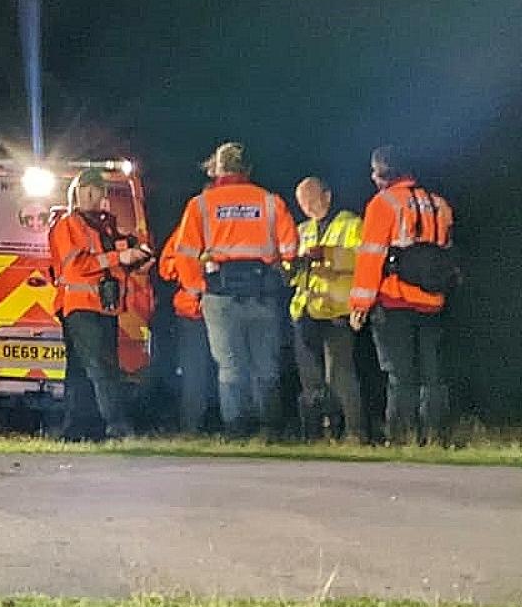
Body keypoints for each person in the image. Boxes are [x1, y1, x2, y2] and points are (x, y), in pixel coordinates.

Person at [170, 142, 298, 439]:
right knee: (265, 363)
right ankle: (268, 429)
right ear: (248, 169)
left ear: (218, 169)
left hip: (219, 294)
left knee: (230, 365)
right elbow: (290, 248)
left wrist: (197, 290)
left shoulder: (200, 204)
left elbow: (184, 253)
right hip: (263, 292)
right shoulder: (269, 201)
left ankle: (236, 429)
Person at [349, 146, 455, 447]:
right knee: (433, 375)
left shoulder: (383, 204)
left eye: (374, 170)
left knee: (400, 376)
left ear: (384, 173)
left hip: (395, 301)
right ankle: (436, 438)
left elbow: (371, 257)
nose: (371, 176)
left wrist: (360, 305)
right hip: (433, 302)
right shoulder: (439, 204)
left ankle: (401, 438)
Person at [48, 168, 148, 440]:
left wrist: (135, 256)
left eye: (98, 191)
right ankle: (116, 426)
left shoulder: (103, 225)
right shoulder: (68, 225)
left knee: (82, 370)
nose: (93, 196)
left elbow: (111, 257)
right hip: (81, 305)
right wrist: (121, 257)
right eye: (88, 191)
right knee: (100, 368)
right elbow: (76, 266)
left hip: (104, 305)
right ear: (77, 193)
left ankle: (78, 429)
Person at [288, 177, 366, 443]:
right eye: (302, 202)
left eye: (312, 199)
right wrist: (293, 265)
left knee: (339, 375)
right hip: (306, 310)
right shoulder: (302, 230)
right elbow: (290, 270)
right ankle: (316, 436)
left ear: (328, 196)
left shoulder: (352, 224)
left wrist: (328, 256)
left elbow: (363, 261)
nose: (307, 206)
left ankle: (355, 433)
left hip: (338, 311)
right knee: (310, 380)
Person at [157, 221, 216, 435]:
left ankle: (198, 425)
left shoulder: (188, 228)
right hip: (196, 311)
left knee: (203, 371)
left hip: (207, 309)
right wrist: (188, 267)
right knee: (198, 372)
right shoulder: (185, 230)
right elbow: (166, 267)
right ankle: (195, 425)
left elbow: (166, 268)